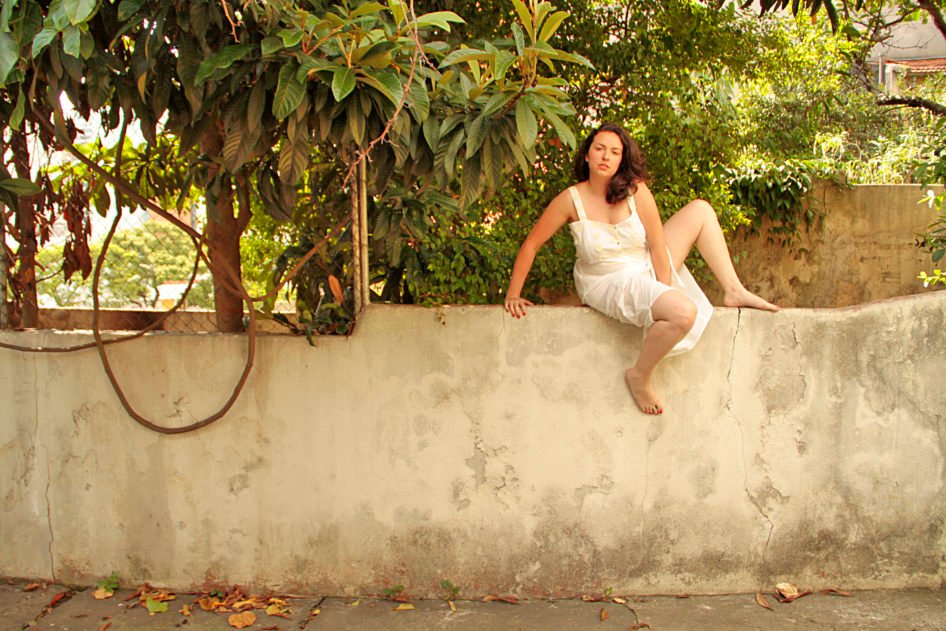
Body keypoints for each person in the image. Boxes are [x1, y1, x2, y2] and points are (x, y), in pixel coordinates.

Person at [503, 123, 778, 415]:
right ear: (587, 155)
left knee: (701, 210)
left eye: (614, 152)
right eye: (599, 149)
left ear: (622, 159)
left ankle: (734, 290)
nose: (606, 156)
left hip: (643, 262)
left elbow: (658, 245)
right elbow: (532, 244)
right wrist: (512, 295)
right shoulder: (571, 200)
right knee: (684, 312)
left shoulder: (636, 191)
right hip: (606, 279)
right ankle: (639, 375)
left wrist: (663, 291)